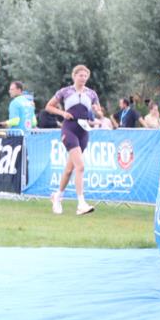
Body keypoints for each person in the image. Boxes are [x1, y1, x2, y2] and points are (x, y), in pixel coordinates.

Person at [45, 65, 104, 216]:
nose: (83, 78)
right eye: (80, 75)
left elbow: (98, 110)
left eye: (85, 76)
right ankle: (81, 203)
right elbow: (49, 107)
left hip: (84, 131)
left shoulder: (91, 93)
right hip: (69, 129)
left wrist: (98, 112)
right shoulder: (65, 91)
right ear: (74, 76)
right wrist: (63, 113)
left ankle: (57, 196)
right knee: (81, 166)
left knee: (70, 169)